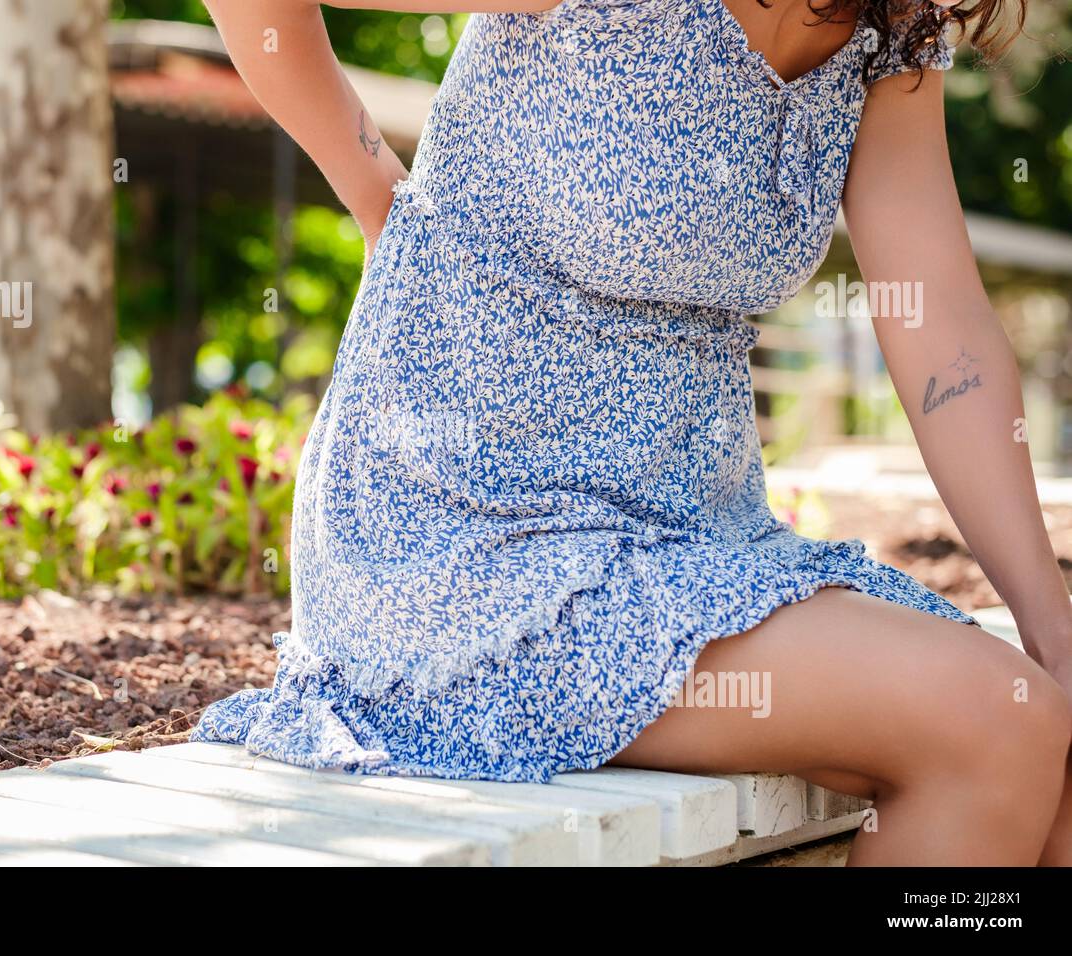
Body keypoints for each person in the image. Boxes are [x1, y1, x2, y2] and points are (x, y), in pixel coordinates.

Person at [193, 0, 1072, 865]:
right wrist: (378, 190)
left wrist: (1052, 628)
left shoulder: (888, 26)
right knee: (1001, 725)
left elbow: (942, 333)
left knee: (1057, 758)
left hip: (694, 538)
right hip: (469, 546)